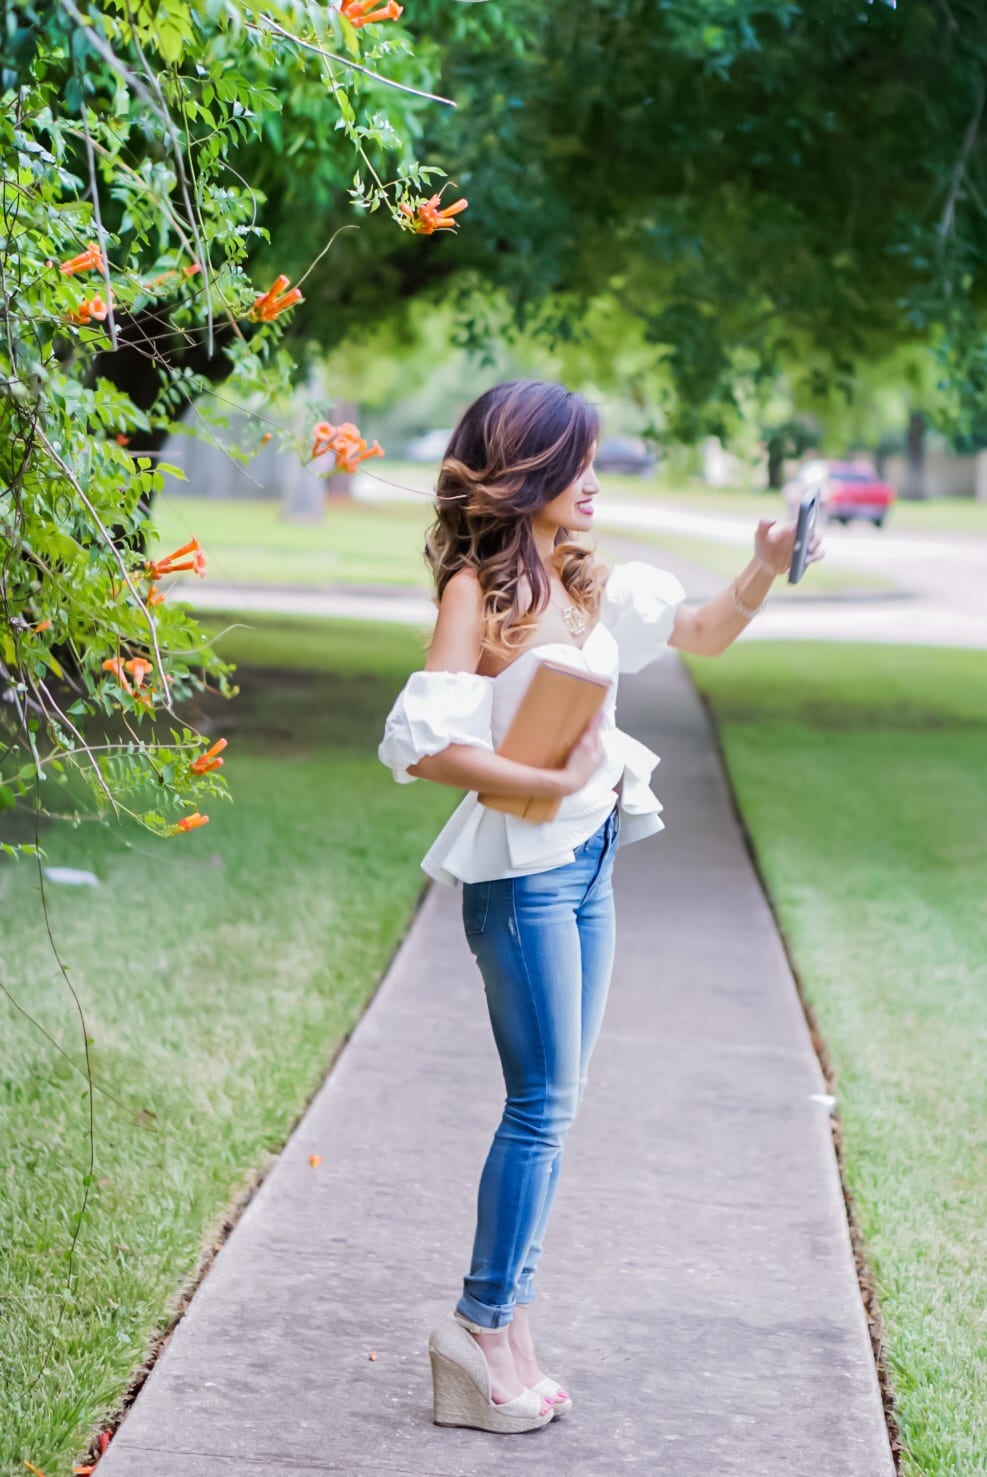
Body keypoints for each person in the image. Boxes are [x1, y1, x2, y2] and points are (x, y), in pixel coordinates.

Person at [377, 379, 822, 1435]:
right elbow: (426, 742)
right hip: (525, 875)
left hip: (593, 862)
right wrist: (538, 782)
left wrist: (765, 559)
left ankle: (511, 1328)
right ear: (524, 470)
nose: (592, 479)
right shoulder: (477, 596)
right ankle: (481, 1327)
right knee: (539, 1106)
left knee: (559, 1107)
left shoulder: (591, 581)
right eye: (574, 461)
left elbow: (707, 633)